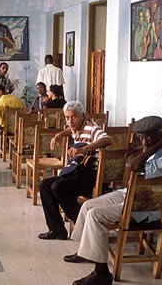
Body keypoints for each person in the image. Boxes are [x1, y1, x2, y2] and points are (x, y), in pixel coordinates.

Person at [66, 116, 162, 285]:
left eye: (148, 137)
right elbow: (132, 158)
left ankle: (101, 273)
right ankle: (87, 252)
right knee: (88, 205)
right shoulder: (152, 147)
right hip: (133, 194)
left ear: (160, 136)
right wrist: (150, 145)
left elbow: (134, 166)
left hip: (147, 207)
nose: (144, 141)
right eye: (142, 137)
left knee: (95, 215)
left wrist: (156, 146)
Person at [37, 101, 112, 240]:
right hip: (76, 174)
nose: (70, 121)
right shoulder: (76, 126)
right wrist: (59, 135)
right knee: (44, 185)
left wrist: (84, 149)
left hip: (90, 177)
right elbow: (70, 129)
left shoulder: (91, 127)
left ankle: (83, 222)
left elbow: (107, 139)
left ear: (83, 115)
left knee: (58, 186)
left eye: (73, 117)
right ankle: (57, 229)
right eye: (67, 117)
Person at [0, 84, 25, 150]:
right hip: (20, 128)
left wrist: (1, 129)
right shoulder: (17, 100)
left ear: (0, 92)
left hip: (8, 130)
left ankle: (3, 140)